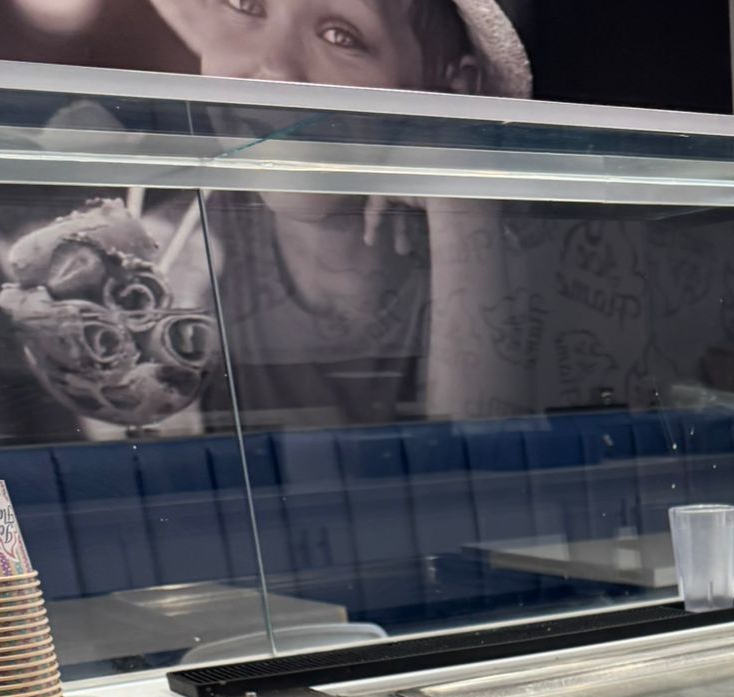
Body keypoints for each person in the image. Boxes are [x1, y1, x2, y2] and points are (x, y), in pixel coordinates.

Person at [147, 0, 538, 425]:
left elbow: (489, 458)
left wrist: (460, 205)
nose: (276, 68)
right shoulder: (159, 268)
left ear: (453, 91)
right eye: (248, 4)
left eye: (340, 36)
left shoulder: (534, 268)